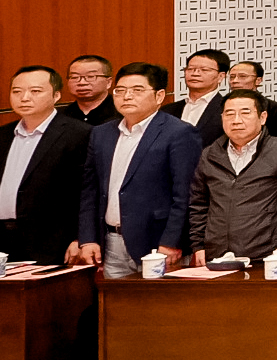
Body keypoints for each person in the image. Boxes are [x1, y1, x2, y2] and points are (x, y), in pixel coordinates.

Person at [70, 63, 199, 277]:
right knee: (114, 298)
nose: (127, 96)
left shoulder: (179, 133)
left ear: (159, 96)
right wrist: (88, 238)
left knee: (156, 299)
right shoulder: (101, 133)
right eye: (120, 91)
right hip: (111, 242)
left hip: (157, 243)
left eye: (137, 90)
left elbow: (185, 194)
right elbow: (90, 191)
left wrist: (172, 241)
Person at [0, 64, 90, 267]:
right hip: (0, 240)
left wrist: (79, 237)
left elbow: (86, 192)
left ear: (56, 95)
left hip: (53, 241)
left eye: (35, 91)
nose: (24, 98)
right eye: (17, 91)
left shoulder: (79, 133)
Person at [183, 89, 277, 268]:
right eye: (229, 114)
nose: (236, 120)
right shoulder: (209, 154)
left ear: (263, 117)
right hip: (216, 255)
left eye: (245, 113)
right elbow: (199, 204)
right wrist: (198, 245)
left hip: (268, 254)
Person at [166, 48, 235, 146]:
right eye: (190, 69)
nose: (195, 74)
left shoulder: (228, 109)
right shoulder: (167, 110)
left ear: (221, 76)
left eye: (204, 70)